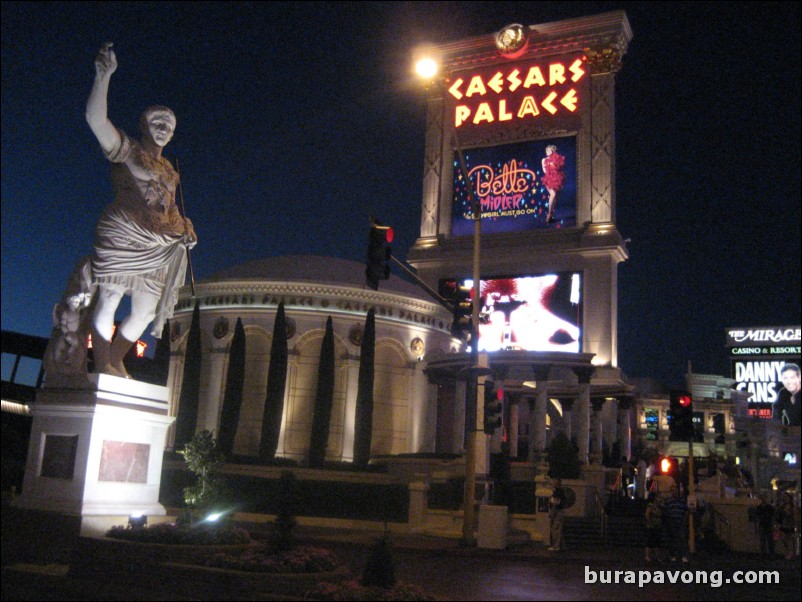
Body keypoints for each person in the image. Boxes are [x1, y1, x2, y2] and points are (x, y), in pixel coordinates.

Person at [86, 43, 197, 378]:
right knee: (110, 299)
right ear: (143, 124)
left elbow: (171, 208)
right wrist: (103, 77)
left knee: (146, 312)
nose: (163, 126)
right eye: (157, 120)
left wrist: (185, 227)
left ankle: (115, 359)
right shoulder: (129, 151)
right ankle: (102, 361)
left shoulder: (170, 171)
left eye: (169, 124)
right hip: (125, 232)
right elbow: (95, 119)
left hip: (158, 244)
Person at [662, 484, 689, 563]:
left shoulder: (681, 500)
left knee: (681, 539)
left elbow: (685, 509)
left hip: (680, 520)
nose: (674, 492)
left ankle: (683, 556)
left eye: (675, 490)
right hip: (672, 521)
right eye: (673, 490)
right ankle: (673, 555)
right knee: (673, 539)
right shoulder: (669, 500)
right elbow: (666, 510)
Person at [541, 144, 565, 224]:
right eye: (546, 150)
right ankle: (549, 214)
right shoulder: (544, 160)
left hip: (557, 178)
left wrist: (554, 165)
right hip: (548, 179)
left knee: (555, 197)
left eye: (549, 150)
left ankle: (551, 214)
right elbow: (545, 171)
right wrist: (550, 166)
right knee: (553, 194)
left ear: (553, 151)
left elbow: (560, 167)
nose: (547, 151)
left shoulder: (556, 159)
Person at [775, 495, 797, 560]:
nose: (786, 499)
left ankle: (790, 552)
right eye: (785, 498)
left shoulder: (792, 507)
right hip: (784, 524)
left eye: (787, 498)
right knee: (784, 539)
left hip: (790, 525)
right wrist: (778, 524)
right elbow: (779, 516)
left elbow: (795, 516)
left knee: (789, 538)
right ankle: (788, 551)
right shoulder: (782, 507)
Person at [644, 492, 664, 562]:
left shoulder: (658, 506)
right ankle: (647, 556)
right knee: (650, 541)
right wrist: (650, 522)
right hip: (652, 526)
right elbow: (647, 514)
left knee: (656, 542)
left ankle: (657, 556)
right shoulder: (651, 506)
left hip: (657, 525)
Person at [548, 478, 566, 551]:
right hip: (559, 511)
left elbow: (556, 502)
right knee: (558, 529)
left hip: (558, 511)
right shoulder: (558, 490)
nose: (552, 481)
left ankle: (556, 546)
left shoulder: (558, 491)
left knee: (555, 528)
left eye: (553, 480)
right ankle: (562, 546)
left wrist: (552, 512)